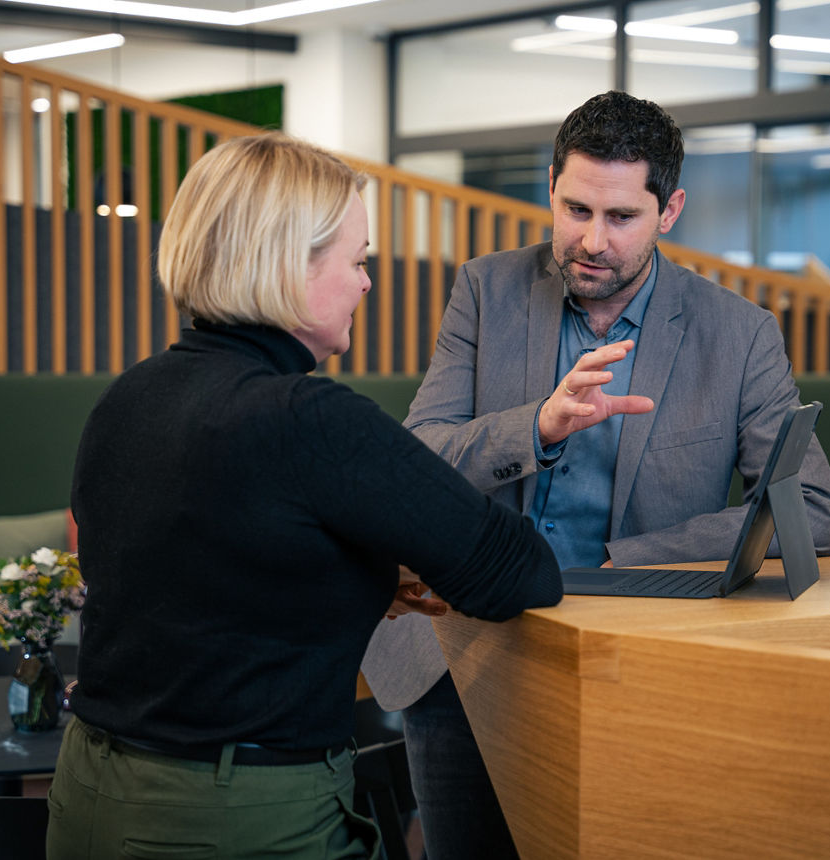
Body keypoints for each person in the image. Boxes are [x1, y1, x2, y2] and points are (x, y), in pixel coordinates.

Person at [45, 133, 563, 860]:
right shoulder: (312, 419)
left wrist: (359, 573)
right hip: (238, 818)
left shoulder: (126, 399)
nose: (366, 283)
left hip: (88, 795)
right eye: (356, 260)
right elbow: (518, 571)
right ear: (289, 264)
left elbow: (214, 578)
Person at [360, 91, 830, 858]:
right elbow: (421, 455)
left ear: (670, 209)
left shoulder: (739, 333)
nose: (591, 239)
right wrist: (537, 426)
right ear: (549, 185)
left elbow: (808, 509)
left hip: (634, 652)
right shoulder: (487, 291)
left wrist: (625, 564)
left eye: (621, 218)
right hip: (462, 654)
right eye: (574, 208)